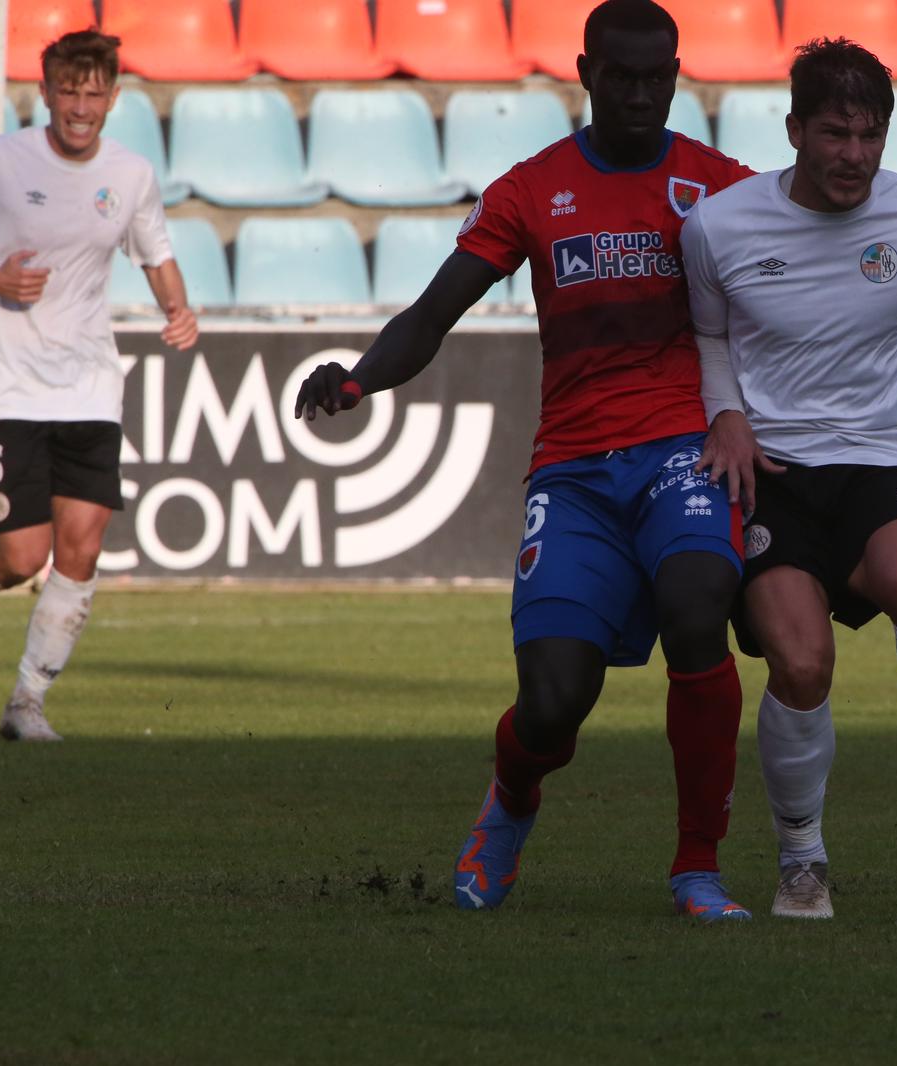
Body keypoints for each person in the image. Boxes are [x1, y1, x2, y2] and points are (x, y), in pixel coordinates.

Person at [294, 0, 756, 921]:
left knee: (698, 602)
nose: (638, 95)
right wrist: (359, 379)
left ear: (676, 77)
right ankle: (510, 798)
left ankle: (697, 867)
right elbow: (433, 315)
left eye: (655, 79)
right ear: (585, 74)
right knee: (551, 702)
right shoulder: (532, 190)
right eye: (620, 78)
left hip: (683, 450)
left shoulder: (723, 189)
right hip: (576, 473)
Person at [680, 37, 897, 919]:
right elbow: (710, 338)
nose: (855, 155)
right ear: (794, 130)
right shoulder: (718, 227)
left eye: (871, 135)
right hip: (770, 471)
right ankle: (802, 859)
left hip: (876, 457)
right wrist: (725, 413)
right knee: (802, 665)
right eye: (836, 134)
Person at [0, 30, 198, 741]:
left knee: (82, 549)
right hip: (9, 385)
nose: (79, 106)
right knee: (20, 558)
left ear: (113, 98)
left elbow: (155, 252)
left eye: (93, 94)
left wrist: (178, 309)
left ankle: (27, 704)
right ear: (45, 93)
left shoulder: (130, 174)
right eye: (68, 91)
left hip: (90, 387)